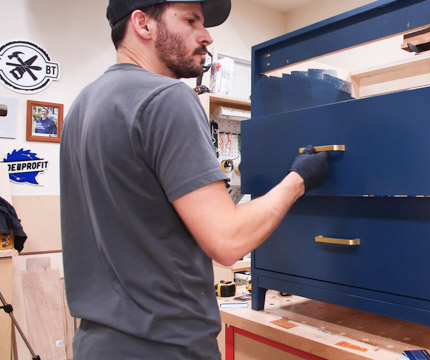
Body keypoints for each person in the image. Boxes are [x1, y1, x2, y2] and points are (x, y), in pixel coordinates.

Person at [59, 0, 330, 359]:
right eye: (190, 20)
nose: (206, 36)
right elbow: (229, 240)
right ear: (142, 24)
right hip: (164, 346)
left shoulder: (84, 104)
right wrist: (299, 179)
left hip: (98, 345)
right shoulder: (167, 98)